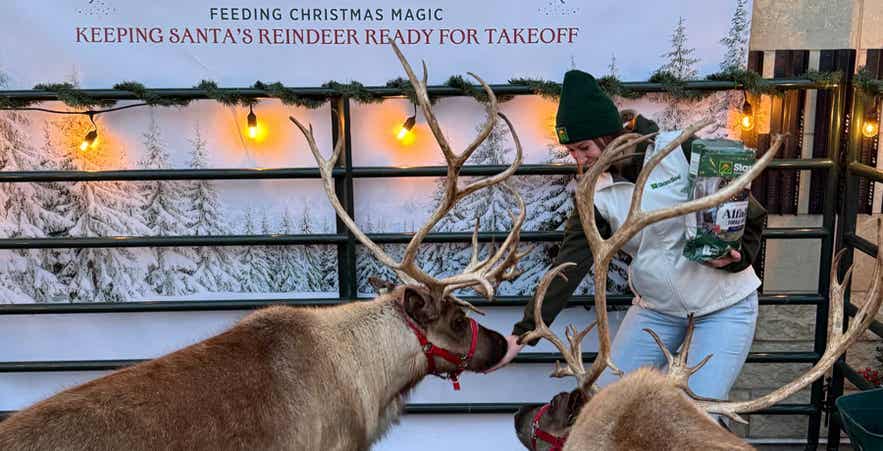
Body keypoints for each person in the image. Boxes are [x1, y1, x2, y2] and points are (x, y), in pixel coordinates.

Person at [488, 70, 766, 406]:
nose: (579, 159)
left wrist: (738, 257)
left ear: (607, 136)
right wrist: (523, 332)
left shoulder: (678, 152)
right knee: (607, 404)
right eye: (572, 151)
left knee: (698, 414)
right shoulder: (594, 193)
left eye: (583, 147)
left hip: (722, 306)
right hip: (656, 310)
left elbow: (749, 211)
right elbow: (569, 264)